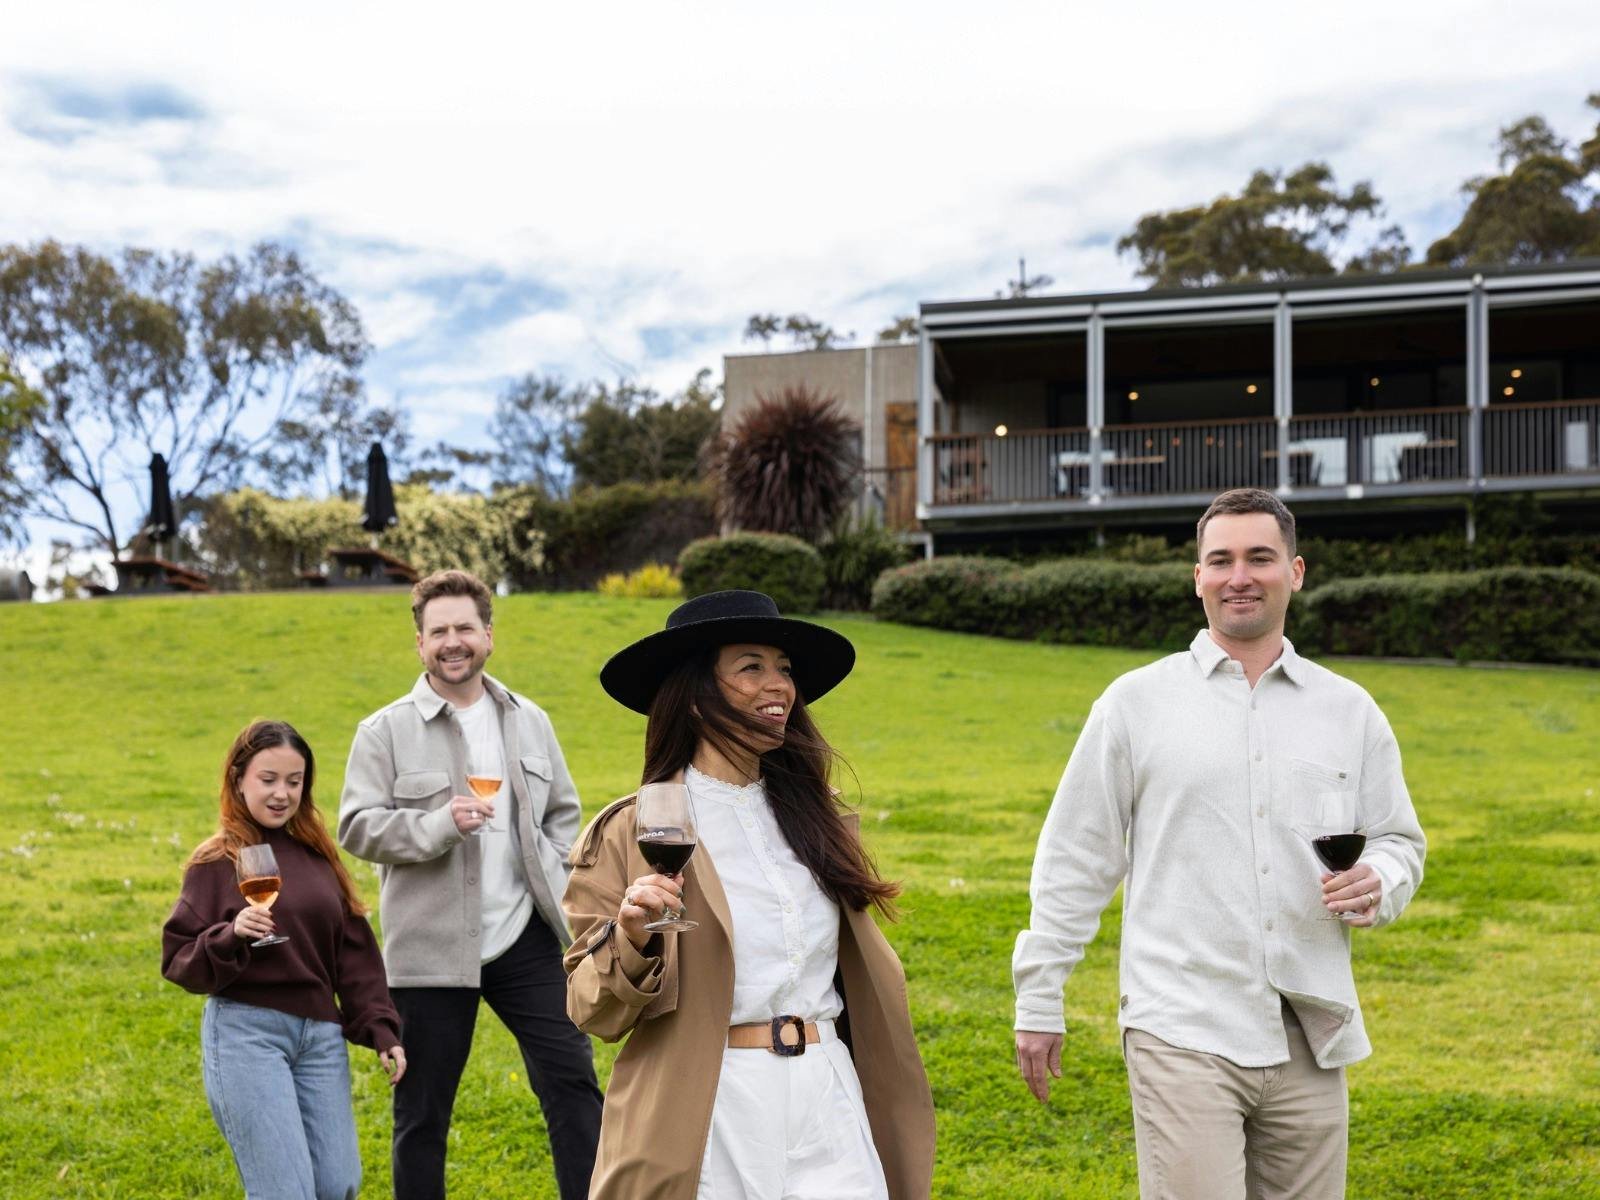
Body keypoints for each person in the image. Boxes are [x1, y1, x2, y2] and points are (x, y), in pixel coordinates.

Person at [1013, 488, 1427, 1200]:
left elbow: (1397, 839)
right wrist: (1040, 995)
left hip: (1312, 1027)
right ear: (1197, 578)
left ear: (1295, 571)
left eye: (1260, 557)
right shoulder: (1134, 704)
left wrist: (1382, 880)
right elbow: (1076, 857)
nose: (1240, 575)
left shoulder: (1348, 710)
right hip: (1181, 1026)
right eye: (1221, 560)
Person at [563, 589, 936, 1200]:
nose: (780, 686)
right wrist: (631, 936)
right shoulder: (633, 829)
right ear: (695, 695)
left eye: (785, 669)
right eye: (751, 666)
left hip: (827, 1093)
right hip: (715, 1105)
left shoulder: (818, 820)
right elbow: (588, 1008)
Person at [338, 569, 603, 1200]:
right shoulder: (384, 730)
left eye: (464, 628)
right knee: (422, 1116)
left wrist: (562, 870)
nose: (452, 641)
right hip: (429, 951)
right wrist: (436, 825)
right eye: (438, 632)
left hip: (526, 938)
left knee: (574, 1086)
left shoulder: (530, 720)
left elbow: (563, 814)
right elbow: (355, 825)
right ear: (420, 644)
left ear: (487, 634)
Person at [162, 720, 406, 1200]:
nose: (282, 794)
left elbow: (353, 952)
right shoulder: (216, 863)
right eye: (268, 780)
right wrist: (230, 934)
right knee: (284, 1192)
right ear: (238, 779)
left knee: (338, 1185)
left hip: (319, 1038)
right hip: (247, 1035)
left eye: (294, 782)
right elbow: (179, 958)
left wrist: (380, 1027)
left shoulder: (317, 857)